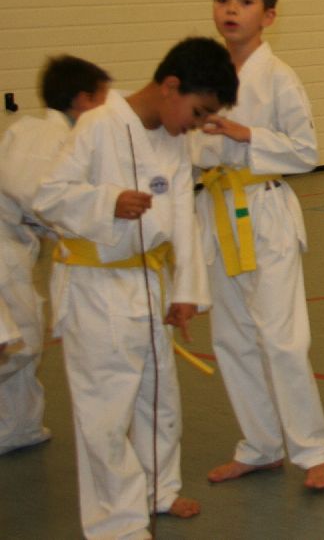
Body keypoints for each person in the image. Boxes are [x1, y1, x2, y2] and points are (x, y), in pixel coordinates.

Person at [34, 37, 237, 540]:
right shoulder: (99, 124)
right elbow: (49, 196)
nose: (197, 124)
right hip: (96, 285)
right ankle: (116, 523)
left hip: (148, 280)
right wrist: (106, 202)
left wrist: (185, 290)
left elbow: (183, 216)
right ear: (171, 86)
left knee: (158, 396)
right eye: (198, 111)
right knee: (105, 411)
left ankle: (157, 490)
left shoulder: (173, 140)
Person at [188, 0, 324, 490]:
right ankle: (260, 444)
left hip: (264, 209)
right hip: (214, 210)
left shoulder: (279, 77)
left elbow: (306, 152)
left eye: (245, 1)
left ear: (269, 15)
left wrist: (246, 134)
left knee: (283, 339)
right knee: (232, 338)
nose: (231, 9)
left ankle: (312, 449)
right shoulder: (201, 74)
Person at [0, 55, 110, 456]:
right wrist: (73, 229)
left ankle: (19, 427)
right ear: (82, 99)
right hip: (4, 247)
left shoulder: (39, 130)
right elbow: (33, 194)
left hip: (17, 245)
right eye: (101, 97)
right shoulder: (45, 136)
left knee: (24, 341)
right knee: (20, 343)